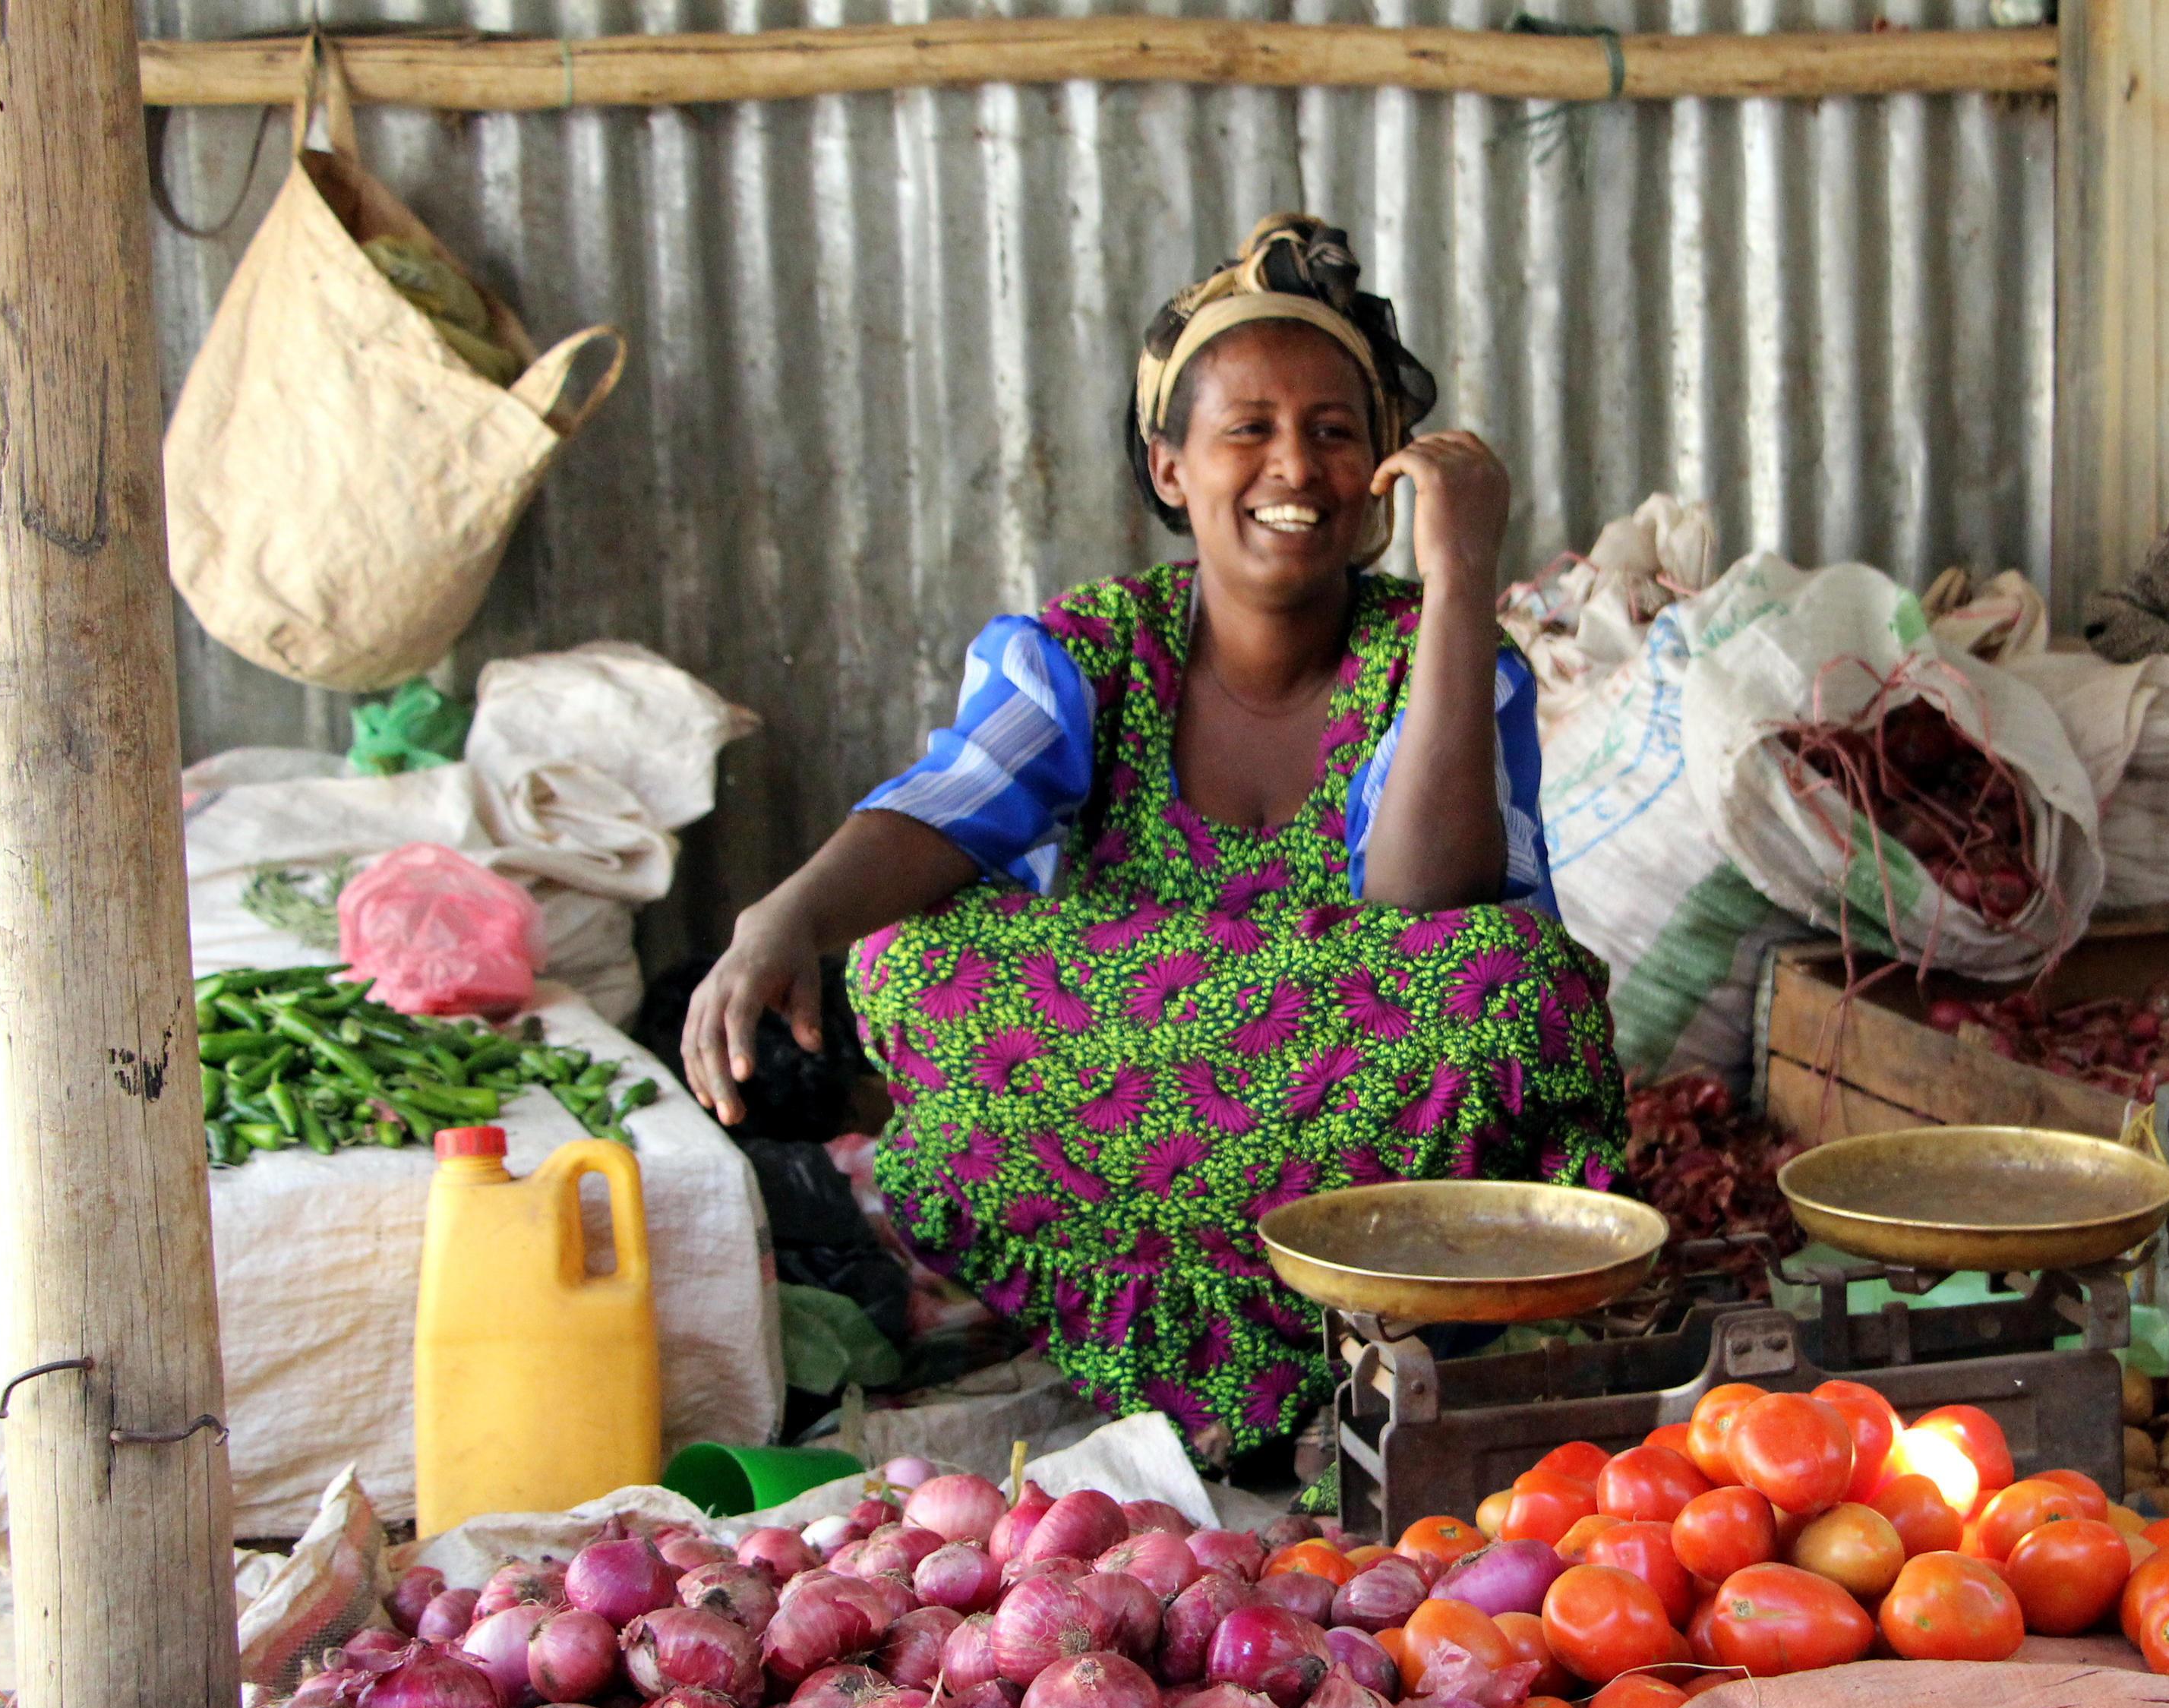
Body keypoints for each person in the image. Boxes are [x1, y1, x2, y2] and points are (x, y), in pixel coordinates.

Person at [683, 215, 1624, 1473]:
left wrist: (1461, 586)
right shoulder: (1091, 650)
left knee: (1513, 991)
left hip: (1327, 1138)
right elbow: (961, 793)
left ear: (1386, 469)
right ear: (1170, 465)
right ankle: (1270, 1367)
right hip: (1179, 1120)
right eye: (1250, 428)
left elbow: (1425, 904)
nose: (1295, 466)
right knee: (904, 957)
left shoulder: (1444, 660)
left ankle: (1315, 1343)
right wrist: (784, 915)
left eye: (1336, 431)